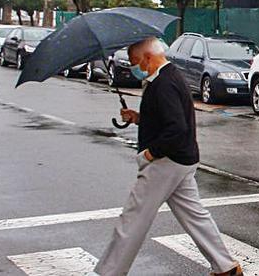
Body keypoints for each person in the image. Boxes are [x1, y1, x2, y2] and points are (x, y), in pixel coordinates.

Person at [94, 37, 243, 276]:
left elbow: (176, 128)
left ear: (148, 58)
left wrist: (150, 154)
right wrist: (138, 117)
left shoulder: (163, 84)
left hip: (166, 163)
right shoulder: (169, 76)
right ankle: (226, 267)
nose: (133, 66)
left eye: (134, 61)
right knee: (196, 218)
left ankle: (108, 273)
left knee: (132, 220)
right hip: (182, 159)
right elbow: (168, 119)